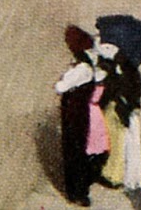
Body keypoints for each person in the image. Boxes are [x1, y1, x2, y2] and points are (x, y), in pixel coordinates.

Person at [55, 25, 106, 206]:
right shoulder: (89, 64)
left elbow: (60, 87)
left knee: (73, 150)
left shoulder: (80, 69)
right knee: (80, 149)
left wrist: (65, 76)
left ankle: (76, 192)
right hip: (81, 113)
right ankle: (80, 190)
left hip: (74, 113)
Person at [99, 45, 141, 193]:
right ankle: (113, 174)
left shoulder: (130, 75)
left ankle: (115, 177)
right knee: (120, 144)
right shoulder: (126, 72)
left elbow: (130, 96)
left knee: (120, 144)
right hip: (121, 111)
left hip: (122, 112)